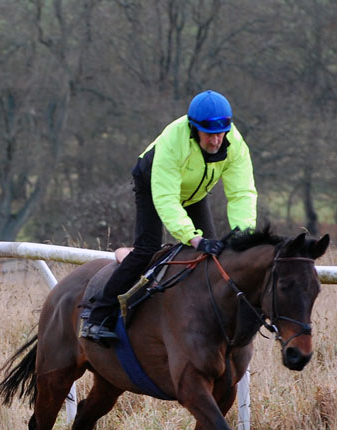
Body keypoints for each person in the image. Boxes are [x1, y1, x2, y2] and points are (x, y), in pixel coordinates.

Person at [79, 90, 257, 342]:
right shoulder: (174, 140)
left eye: (221, 133)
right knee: (147, 249)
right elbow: (166, 199)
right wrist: (193, 238)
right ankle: (97, 317)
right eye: (209, 134)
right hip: (153, 184)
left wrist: (244, 235)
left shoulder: (235, 143)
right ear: (194, 128)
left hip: (194, 192)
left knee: (213, 258)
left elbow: (242, 194)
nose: (216, 140)